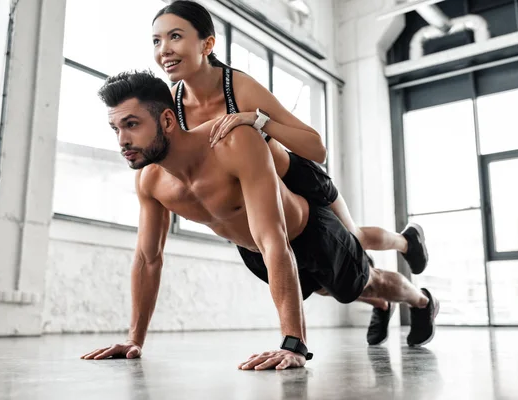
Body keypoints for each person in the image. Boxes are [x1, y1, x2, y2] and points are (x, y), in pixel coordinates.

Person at [80, 71, 440, 369]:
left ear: (167, 120)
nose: (123, 140)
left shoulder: (232, 142)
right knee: (330, 289)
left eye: (131, 125)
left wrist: (293, 344)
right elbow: (148, 259)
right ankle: (381, 303)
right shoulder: (151, 181)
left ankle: (422, 301)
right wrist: (133, 340)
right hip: (255, 251)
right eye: (115, 129)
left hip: (306, 234)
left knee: (367, 283)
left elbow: (274, 237)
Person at [150, 1, 429, 344]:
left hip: (298, 180)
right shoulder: (173, 107)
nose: (164, 49)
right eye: (156, 40)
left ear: (207, 45)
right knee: (327, 285)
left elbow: (316, 147)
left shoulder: (237, 87)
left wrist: (256, 119)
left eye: (174, 37)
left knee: (353, 238)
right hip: (264, 196)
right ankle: (381, 303)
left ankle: (406, 241)